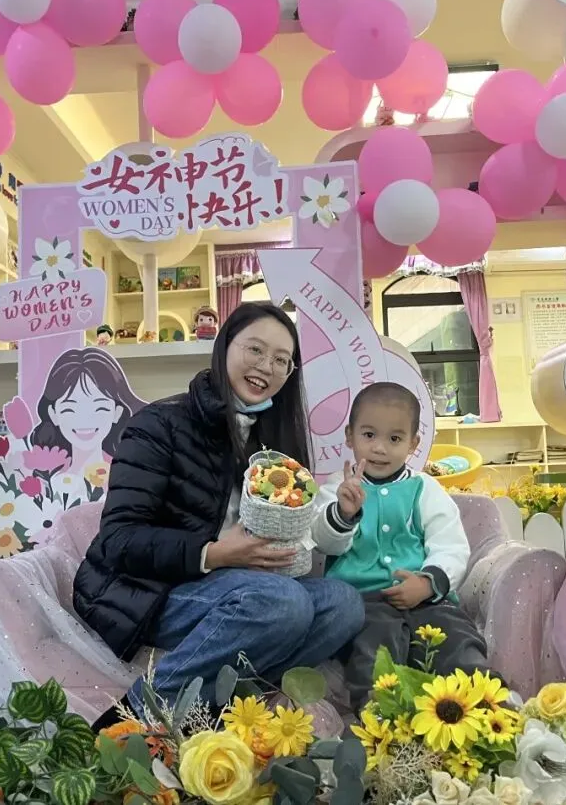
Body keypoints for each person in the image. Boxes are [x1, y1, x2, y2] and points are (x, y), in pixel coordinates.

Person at [74, 302, 365, 727]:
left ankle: (227, 710)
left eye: (281, 360)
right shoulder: (159, 424)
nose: (266, 367)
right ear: (224, 345)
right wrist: (214, 553)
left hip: (239, 586)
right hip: (146, 588)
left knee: (344, 603)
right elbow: (119, 539)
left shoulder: (273, 438)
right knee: (281, 602)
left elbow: (295, 536)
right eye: (255, 350)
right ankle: (132, 721)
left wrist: (334, 519)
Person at [312, 382, 491, 709]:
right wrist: (343, 513)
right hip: (364, 602)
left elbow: (450, 545)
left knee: (456, 636)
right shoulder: (339, 488)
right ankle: (381, 717)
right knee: (374, 650)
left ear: (413, 444)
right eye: (369, 435)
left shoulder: (424, 488)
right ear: (350, 436)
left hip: (425, 598)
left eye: (394, 439)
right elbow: (324, 543)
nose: (380, 448)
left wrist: (428, 583)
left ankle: (483, 707)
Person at [30, 348, 144, 475]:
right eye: (69, 409)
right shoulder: (45, 476)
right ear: (53, 413)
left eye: (100, 408)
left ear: (117, 412)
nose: (84, 420)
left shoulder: (128, 473)